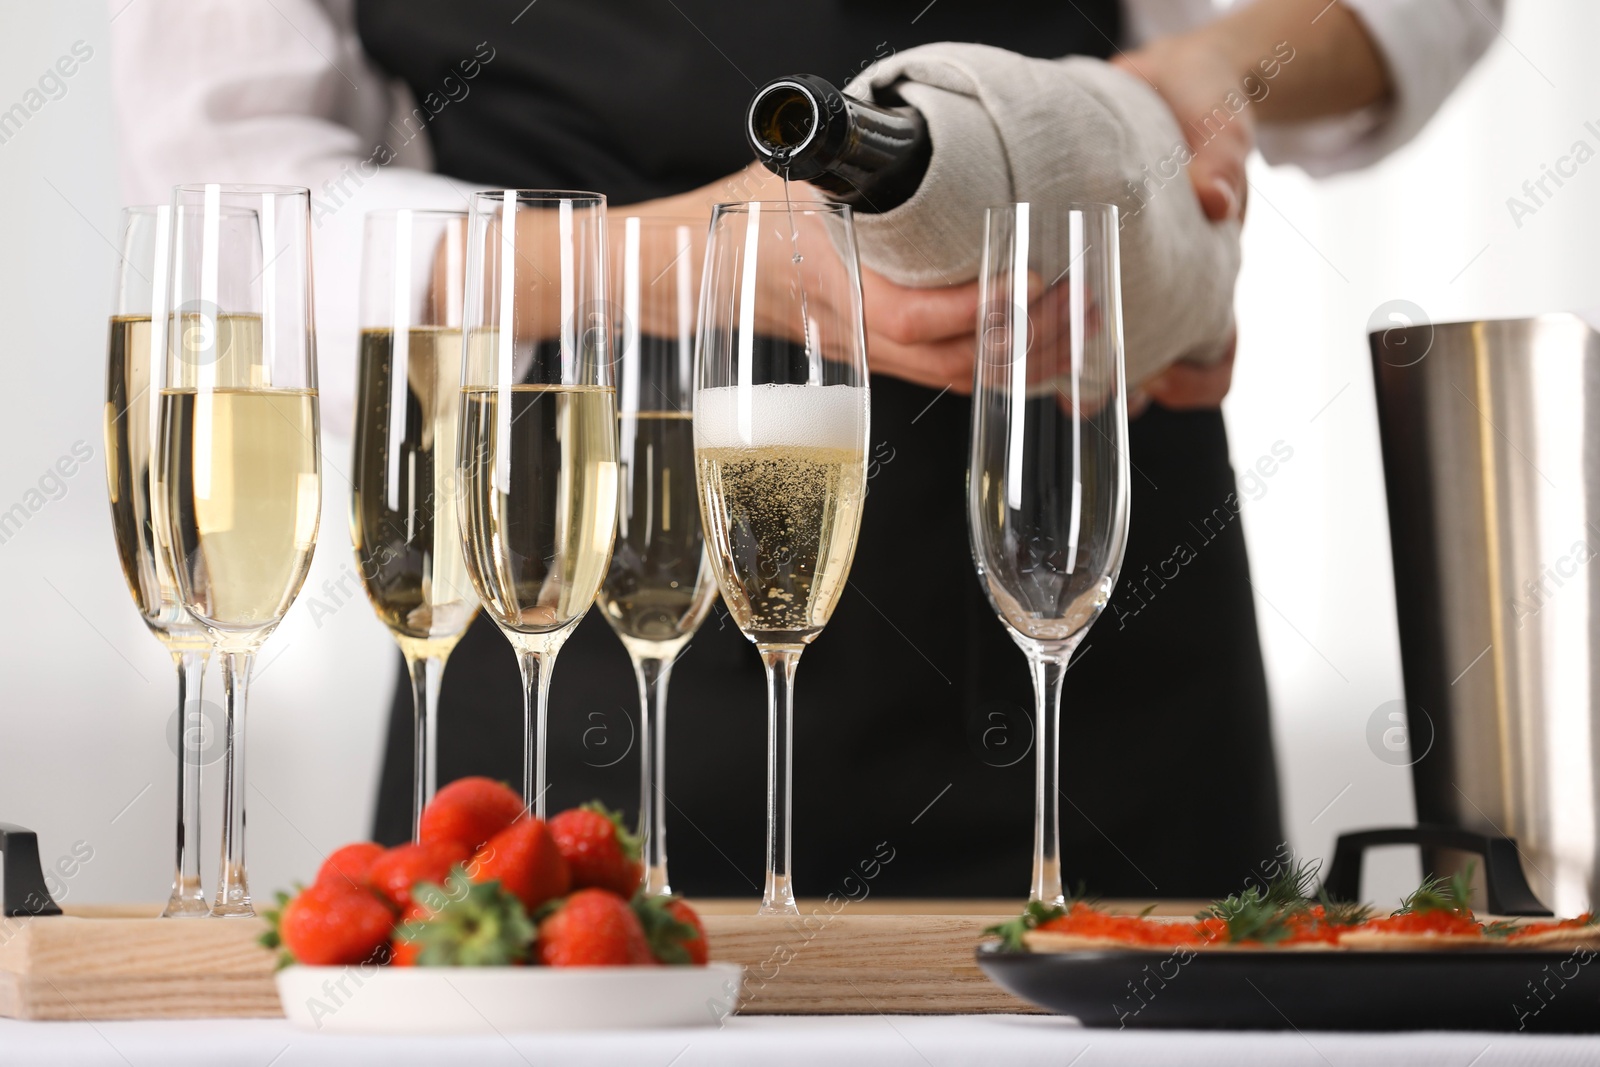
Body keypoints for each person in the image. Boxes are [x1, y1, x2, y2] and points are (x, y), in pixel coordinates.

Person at [114, 0, 1502, 899]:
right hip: (576, 643)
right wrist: (694, 265)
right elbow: (233, 222)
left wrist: (1210, 68)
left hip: (1100, 641)